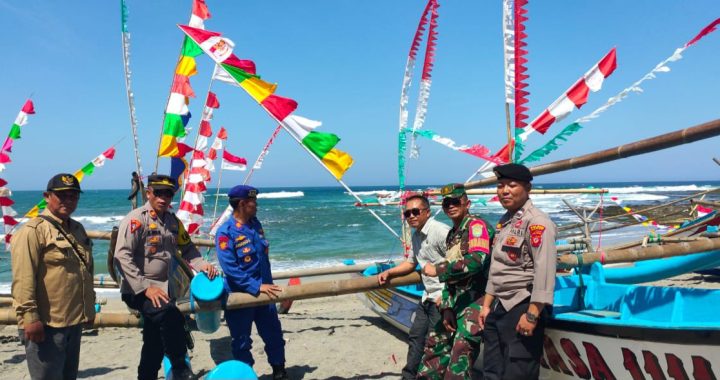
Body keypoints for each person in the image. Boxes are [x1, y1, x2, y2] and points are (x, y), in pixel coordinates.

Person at [114, 174, 218, 380]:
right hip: (138, 290)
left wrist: (203, 265)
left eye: (168, 194)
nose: (163, 197)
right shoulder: (136, 219)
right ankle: (180, 366)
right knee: (172, 316)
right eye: (158, 193)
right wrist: (145, 288)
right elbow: (121, 255)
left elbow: (187, 248)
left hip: (162, 291)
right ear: (149, 193)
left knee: (154, 343)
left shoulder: (172, 221)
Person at [11, 173, 95, 380]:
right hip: (46, 324)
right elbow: (23, 278)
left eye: (73, 196)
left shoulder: (77, 228)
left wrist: (89, 308)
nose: (68, 200)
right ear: (47, 196)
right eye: (62, 195)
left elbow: (85, 272)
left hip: (73, 320)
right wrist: (30, 319)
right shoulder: (32, 231)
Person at [479, 163, 557, 380]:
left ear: (528, 188)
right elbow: (498, 268)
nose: (504, 191)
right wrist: (486, 306)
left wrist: (532, 315)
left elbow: (545, 271)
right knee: (492, 371)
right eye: (500, 186)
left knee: (518, 372)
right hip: (498, 308)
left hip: (522, 305)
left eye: (511, 185)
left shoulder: (537, 222)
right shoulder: (505, 222)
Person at [418, 183, 494, 379]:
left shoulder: (476, 226)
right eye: (446, 203)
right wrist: (447, 305)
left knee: (459, 360)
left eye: (455, 201)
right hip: (456, 301)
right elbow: (452, 278)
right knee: (433, 352)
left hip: (476, 301)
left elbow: (476, 262)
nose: (450, 206)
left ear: (466, 203)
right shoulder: (453, 233)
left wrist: (438, 269)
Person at [215, 185, 288, 380]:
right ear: (242, 204)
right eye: (253, 201)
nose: (256, 205)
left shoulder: (255, 224)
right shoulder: (226, 232)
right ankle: (246, 374)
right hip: (240, 296)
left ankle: (279, 371)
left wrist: (264, 285)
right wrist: (255, 286)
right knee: (241, 341)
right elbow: (230, 268)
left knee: (273, 334)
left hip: (266, 292)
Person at [377, 194, 449, 380]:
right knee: (416, 337)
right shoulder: (416, 235)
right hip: (427, 296)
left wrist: (447, 293)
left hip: (442, 297)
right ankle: (409, 376)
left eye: (415, 212)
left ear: (427, 212)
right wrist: (390, 273)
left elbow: (458, 264)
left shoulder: (441, 232)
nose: (411, 216)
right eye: (407, 213)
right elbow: (410, 264)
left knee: (436, 343)